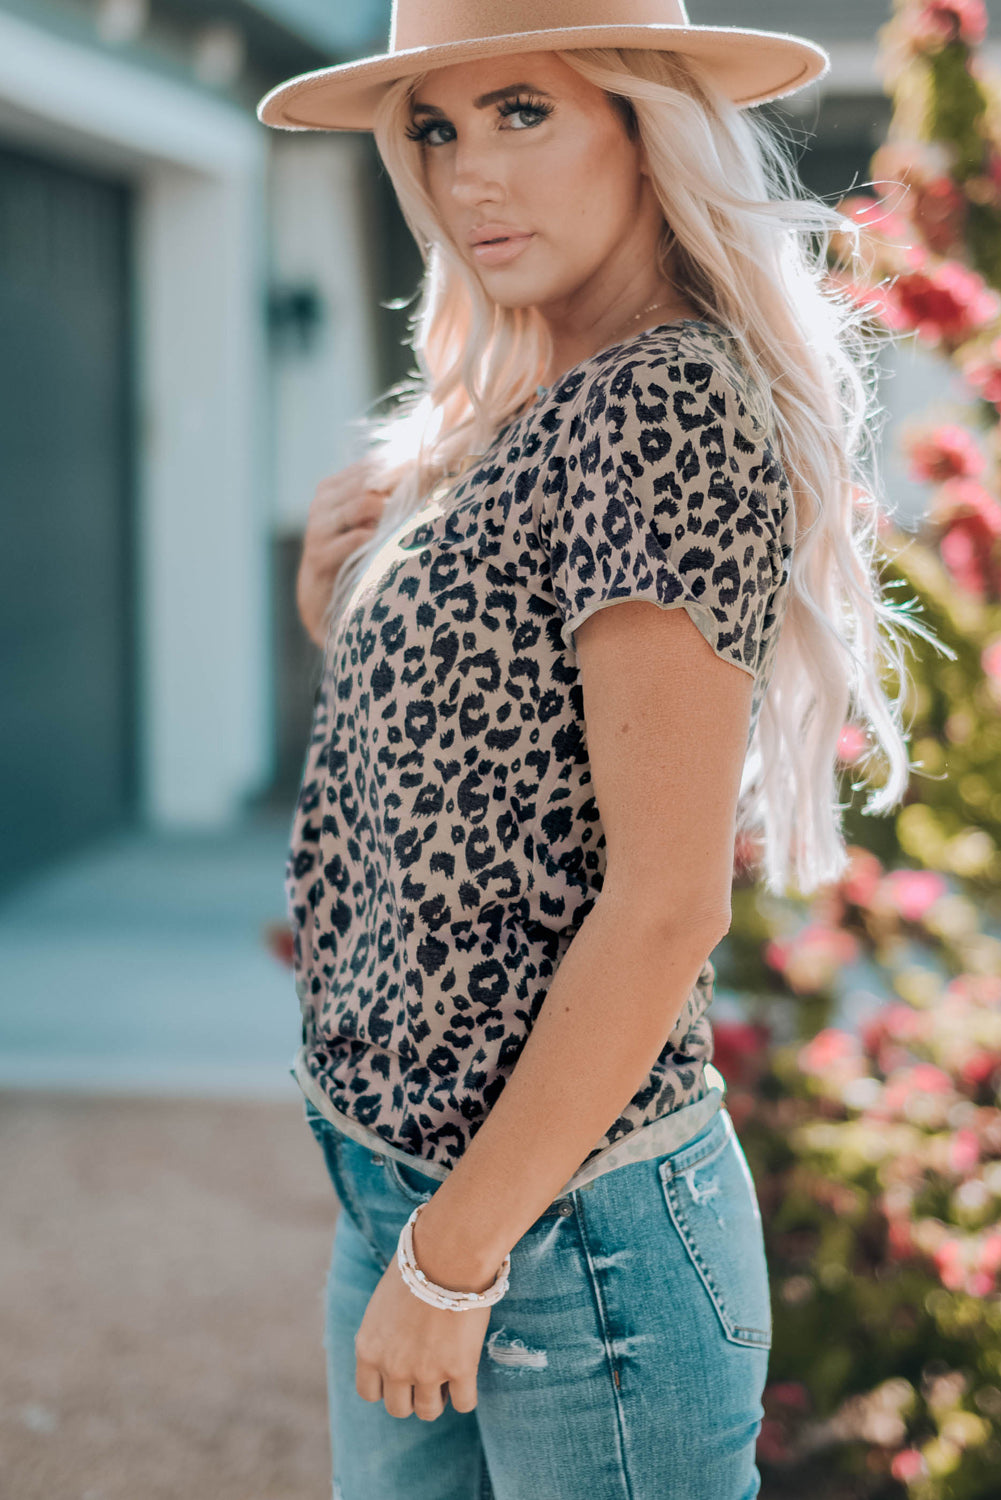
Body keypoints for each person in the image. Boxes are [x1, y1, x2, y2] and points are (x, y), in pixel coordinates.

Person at [257, 5, 932, 1497]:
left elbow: (664, 904)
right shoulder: (512, 407)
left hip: (559, 1232)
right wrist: (347, 615)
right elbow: (495, 774)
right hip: (413, 1181)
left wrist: (449, 1260)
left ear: (643, 122)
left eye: (519, 113)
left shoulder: (661, 399)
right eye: (432, 129)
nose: (466, 176)